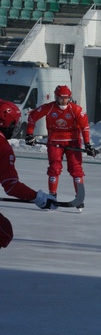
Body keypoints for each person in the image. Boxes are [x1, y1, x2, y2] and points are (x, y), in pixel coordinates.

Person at [25, 85, 96, 211]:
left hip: (72, 141)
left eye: (66, 98)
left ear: (70, 97)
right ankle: (52, 195)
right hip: (54, 141)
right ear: (56, 97)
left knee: (76, 169)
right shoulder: (49, 107)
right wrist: (29, 134)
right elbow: (32, 117)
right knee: (54, 168)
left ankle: (79, 197)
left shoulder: (76, 109)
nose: (64, 101)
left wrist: (88, 144)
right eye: (61, 98)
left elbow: (85, 127)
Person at [0, 100, 57, 248]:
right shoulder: (3, 148)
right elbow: (11, 185)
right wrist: (39, 197)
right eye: (14, 123)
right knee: (3, 232)